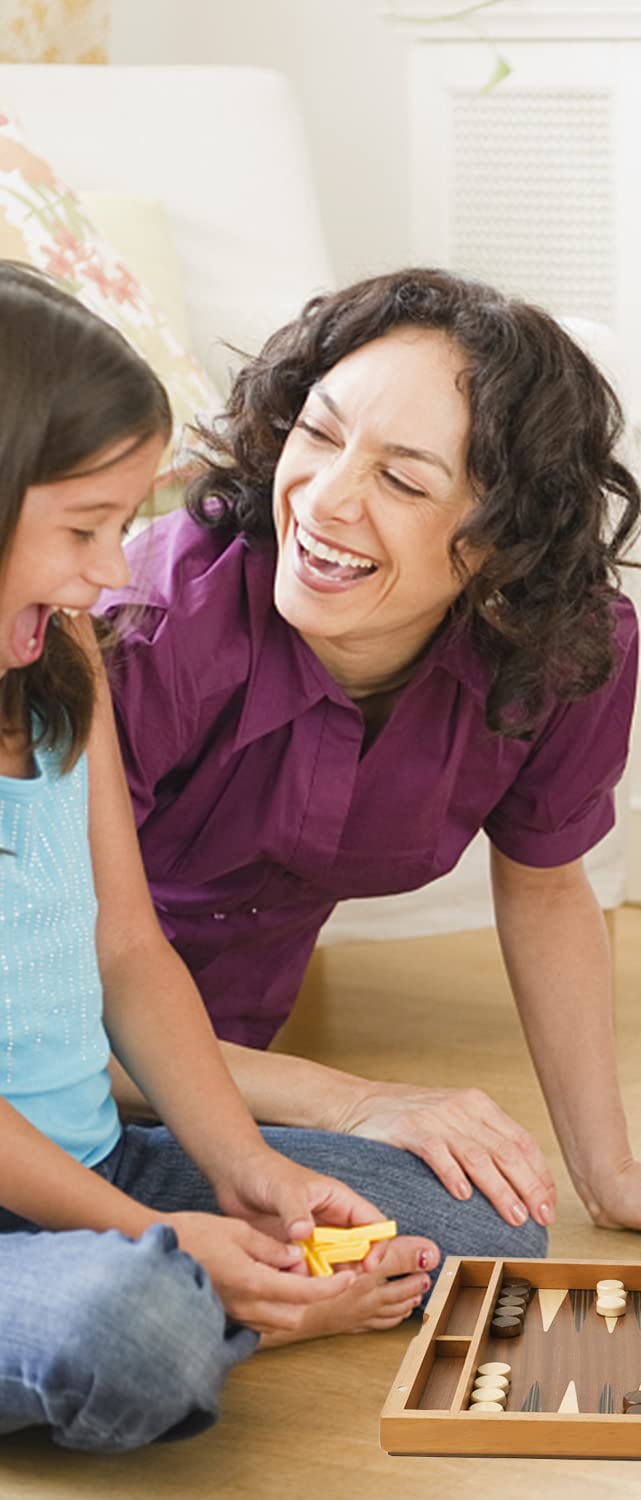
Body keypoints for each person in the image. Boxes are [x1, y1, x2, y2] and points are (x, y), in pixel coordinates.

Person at [100, 268, 641, 1255]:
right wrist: (355, 1103)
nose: (326, 499)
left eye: (403, 480)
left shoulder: (562, 650)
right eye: (317, 434)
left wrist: (611, 1172)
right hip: (61, 1051)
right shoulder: (149, 625)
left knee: (486, 1227)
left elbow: (544, 886)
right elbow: (51, 988)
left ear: (503, 543)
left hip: (223, 1078)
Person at [0, 263, 500, 1450]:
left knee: (466, 1222)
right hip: (61, 1213)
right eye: (84, 528)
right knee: (138, 1331)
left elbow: (129, 947)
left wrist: (241, 1173)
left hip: (95, 1158)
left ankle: (229, 1294)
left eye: (124, 526)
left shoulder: (62, 657)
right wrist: (144, 1235)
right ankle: (216, 1307)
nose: (115, 570)